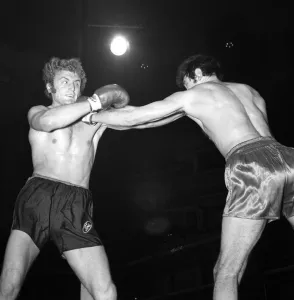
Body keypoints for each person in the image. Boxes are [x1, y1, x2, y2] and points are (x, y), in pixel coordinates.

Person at [85, 53, 294, 300]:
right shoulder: (248, 91)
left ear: (195, 74)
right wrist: (114, 112)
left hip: (252, 165)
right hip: (291, 158)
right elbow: (149, 121)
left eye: (185, 84)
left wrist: (89, 115)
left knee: (225, 271)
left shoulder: (194, 95)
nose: (185, 90)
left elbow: (137, 118)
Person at [0, 57, 180, 300]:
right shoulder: (39, 111)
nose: (72, 87)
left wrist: (186, 107)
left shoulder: (93, 119)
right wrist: (95, 102)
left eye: (76, 82)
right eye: (64, 81)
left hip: (75, 202)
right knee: (10, 284)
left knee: (105, 292)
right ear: (50, 87)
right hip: (38, 196)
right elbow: (49, 123)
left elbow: (140, 119)